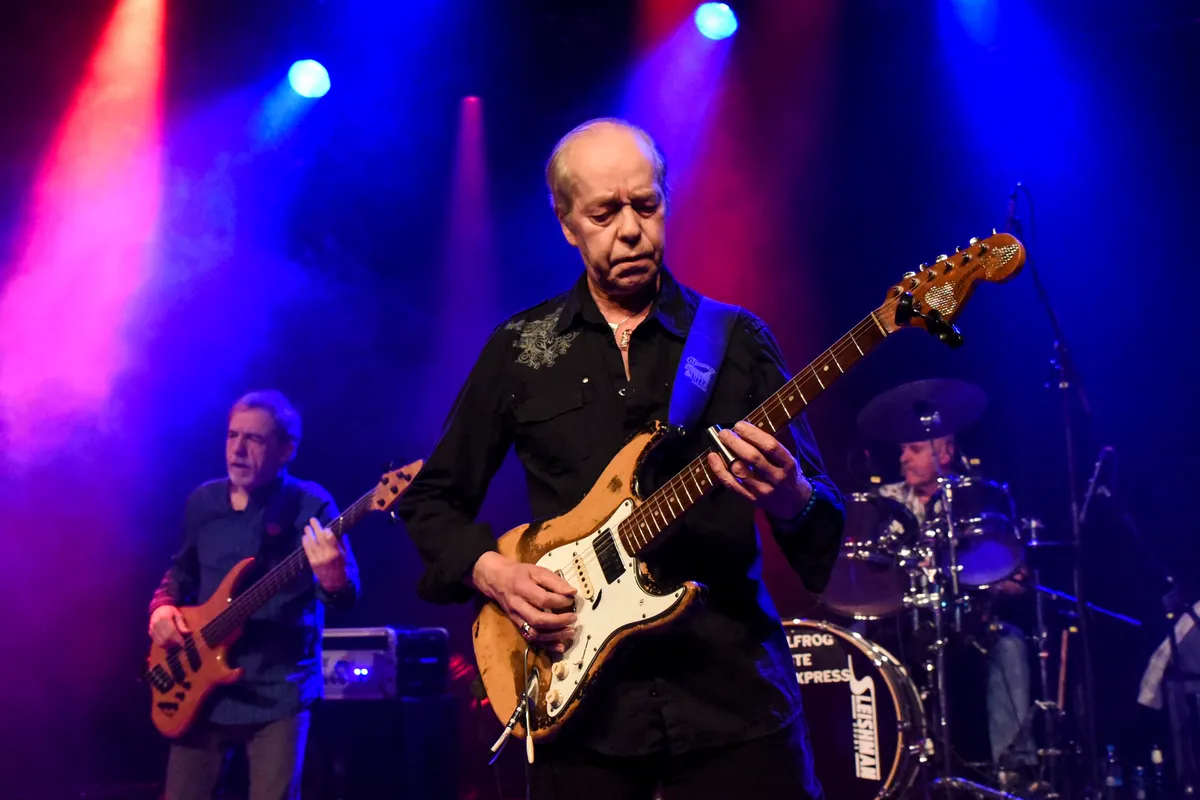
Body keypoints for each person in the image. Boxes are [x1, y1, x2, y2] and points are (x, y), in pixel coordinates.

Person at [398, 118, 845, 799]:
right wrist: (495, 574)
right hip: (581, 716)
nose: (631, 230)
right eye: (604, 214)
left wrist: (791, 497)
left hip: (733, 701)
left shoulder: (736, 339)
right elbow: (432, 502)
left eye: (646, 205)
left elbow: (820, 526)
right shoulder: (520, 349)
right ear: (566, 223)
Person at [148, 390, 359, 800]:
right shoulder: (203, 502)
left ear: (286, 450)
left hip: (278, 690)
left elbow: (346, 596)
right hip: (199, 687)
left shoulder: (310, 504)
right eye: (232, 436)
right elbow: (180, 571)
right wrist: (162, 608)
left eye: (254, 439)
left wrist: (334, 578)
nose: (238, 450)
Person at [877, 434, 1036, 776]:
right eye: (902, 449)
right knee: (862, 636)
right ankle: (885, 770)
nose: (904, 458)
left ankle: (1013, 771)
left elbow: (1012, 573)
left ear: (946, 452)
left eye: (914, 449)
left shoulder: (976, 498)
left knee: (1010, 644)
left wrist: (1001, 574)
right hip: (902, 623)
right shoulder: (887, 500)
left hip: (966, 621)